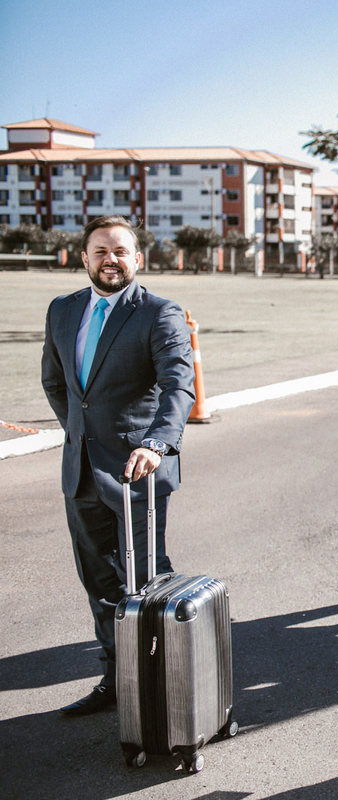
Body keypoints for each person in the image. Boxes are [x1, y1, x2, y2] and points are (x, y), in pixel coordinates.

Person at [41, 215, 195, 716]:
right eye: (101, 251)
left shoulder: (159, 312)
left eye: (121, 251)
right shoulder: (62, 311)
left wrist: (157, 443)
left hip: (139, 472)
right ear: (83, 258)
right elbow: (56, 382)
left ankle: (161, 687)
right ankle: (116, 680)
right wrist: (77, 433)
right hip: (81, 470)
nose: (111, 260)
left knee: (146, 585)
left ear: (138, 258)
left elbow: (179, 385)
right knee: (100, 583)